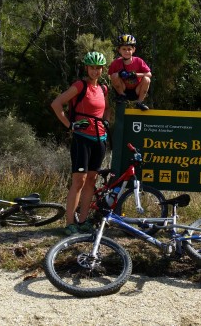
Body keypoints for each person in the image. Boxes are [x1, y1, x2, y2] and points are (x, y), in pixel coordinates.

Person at [51, 51, 110, 235]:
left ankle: (83, 221)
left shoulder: (103, 88)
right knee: (79, 180)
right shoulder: (79, 86)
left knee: (91, 180)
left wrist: (106, 123)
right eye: (92, 68)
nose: (96, 71)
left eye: (99, 68)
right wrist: (70, 125)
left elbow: (106, 109)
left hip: (99, 139)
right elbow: (56, 104)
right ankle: (70, 223)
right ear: (87, 68)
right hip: (82, 138)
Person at [108, 34, 152, 111]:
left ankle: (139, 102)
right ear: (119, 50)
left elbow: (149, 74)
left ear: (133, 49)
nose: (127, 51)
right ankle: (121, 96)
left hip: (136, 90)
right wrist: (119, 74)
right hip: (123, 89)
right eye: (124, 49)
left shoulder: (138, 61)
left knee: (147, 79)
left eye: (129, 49)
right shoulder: (116, 63)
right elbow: (111, 77)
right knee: (114, 75)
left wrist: (135, 75)